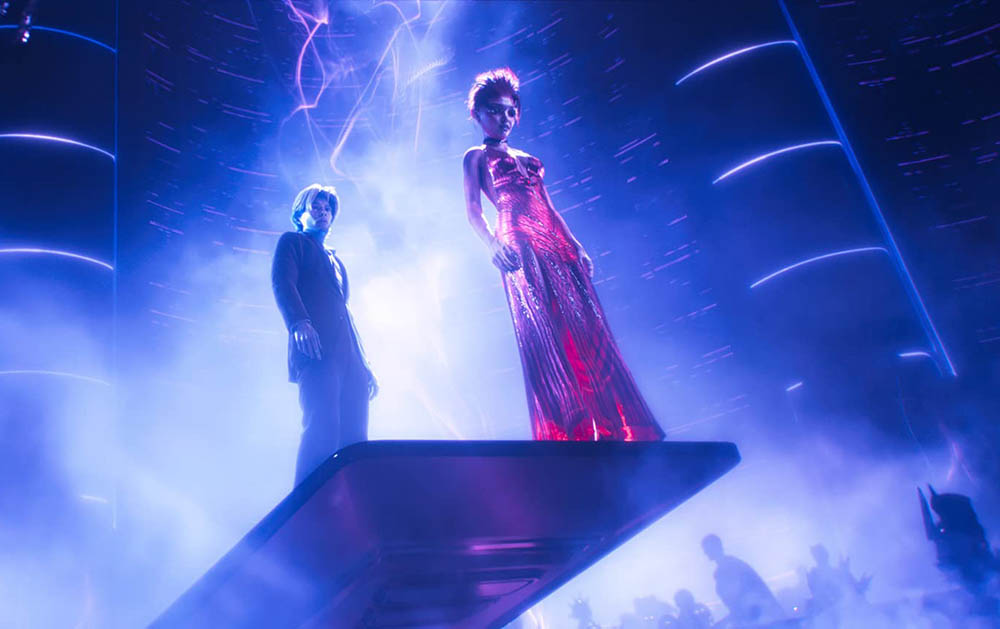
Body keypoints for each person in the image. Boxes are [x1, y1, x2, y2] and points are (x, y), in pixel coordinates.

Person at [461, 67, 664, 441]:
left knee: (585, 326)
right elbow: (473, 211)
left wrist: (576, 244)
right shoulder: (475, 156)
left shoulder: (528, 157)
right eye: (494, 111)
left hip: (555, 242)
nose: (504, 118)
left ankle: (611, 423)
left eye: (510, 111)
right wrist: (493, 244)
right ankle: (570, 427)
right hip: (517, 239)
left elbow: (549, 207)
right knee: (543, 330)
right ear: (477, 114)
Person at [271, 183, 377, 485]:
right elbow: (283, 282)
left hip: (349, 355)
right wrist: (299, 322)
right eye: (315, 207)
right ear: (299, 214)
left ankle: (352, 497)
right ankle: (307, 499)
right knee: (322, 426)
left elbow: (345, 311)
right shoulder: (293, 242)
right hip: (317, 350)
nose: (323, 212)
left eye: (327, 208)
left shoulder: (336, 260)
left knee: (356, 435)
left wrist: (363, 363)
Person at [700, 534, 784, 627]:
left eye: (707, 548)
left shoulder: (731, 566)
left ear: (715, 547)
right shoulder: (730, 566)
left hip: (760, 619)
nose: (705, 552)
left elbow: (744, 601)